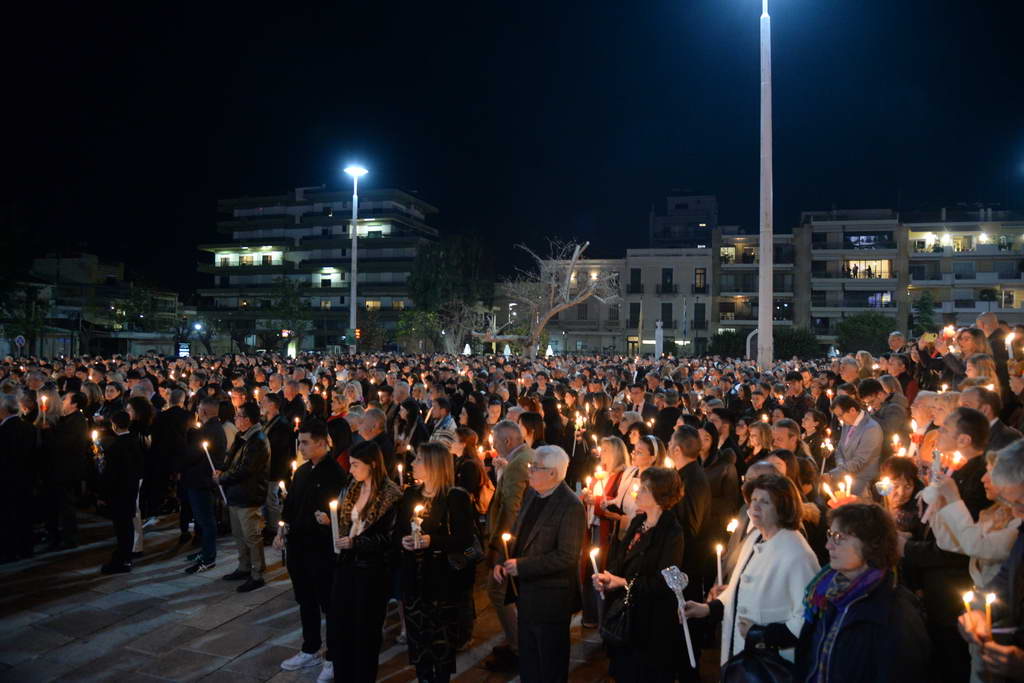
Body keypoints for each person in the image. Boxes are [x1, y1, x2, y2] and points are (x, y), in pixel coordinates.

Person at [684, 474, 819, 665]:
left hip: (771, 663)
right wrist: (707, 609)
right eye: (753, 499)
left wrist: (762, 635)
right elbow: (739, 593)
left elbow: (808, 618)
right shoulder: (755, 538)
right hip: (743, 658)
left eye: (765, 502)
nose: (754, 507)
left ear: (783, 507)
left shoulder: (797, 554)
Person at [795, 503, 930, 682]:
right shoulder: (824, 592)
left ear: (870, 544)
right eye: (830, 534)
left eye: (838, 537)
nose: (828, 545)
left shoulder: (896, 612)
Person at [493, 445, 585, 683]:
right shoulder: (532, 493)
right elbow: (516, 532)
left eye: (535, 467)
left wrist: (522, 566)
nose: (530, 471)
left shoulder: (571, 506)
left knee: (550, 664)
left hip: (551, 598)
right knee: (530, 661)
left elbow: (566, 556)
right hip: (527, 594)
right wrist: (503, 560)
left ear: (553, 473)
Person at [593, 467, 685, 683]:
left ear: (659, 495)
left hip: (650, 621)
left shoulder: (671, 532)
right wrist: (608, 578)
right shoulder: (638, 522)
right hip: (627, 616)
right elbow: (622, 558)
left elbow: (664, 582)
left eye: (644, 489)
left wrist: (623, 583)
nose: (637, 493)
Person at [396, 442, 476, 683]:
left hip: (442, 582)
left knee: (441, 643)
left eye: (418, 460)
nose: (413, 463)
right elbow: (398, 531)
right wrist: (404, 542)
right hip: (415, 581)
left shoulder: (455, 498)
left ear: (433, 465)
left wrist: (433, 541)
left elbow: (464, 540)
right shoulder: (410, 495)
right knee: (418, 642)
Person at [277, 419, 349, 683]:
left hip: (321, 551)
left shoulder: (336, 474)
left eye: (306, 442)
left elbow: (343, 514)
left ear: (321, 442)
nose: (301, 447)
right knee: (305, 599)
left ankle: (332, 657)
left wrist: (332, 521)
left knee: (328, 605)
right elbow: (292, 504)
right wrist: (281, 530)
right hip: (298, 548)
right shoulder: (303, 471)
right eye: (300, 442)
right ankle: (310, 648)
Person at [327, 440, 403, 683]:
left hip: (371, 573)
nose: (351, 470)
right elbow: (348, 521)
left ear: (372, 465)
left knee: (366, 630)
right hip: (346, 567)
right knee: (341, 626)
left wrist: (357, 543)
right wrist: (331, 522)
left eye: (355, 465)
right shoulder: (352, 487)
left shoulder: (390, 496)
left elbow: (388, 539)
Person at [481, 420, 534, 671]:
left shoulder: (516, 466)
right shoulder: (524, 456)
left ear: (508, 441)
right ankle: (517, 639)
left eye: (494, 440)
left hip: (510, 542)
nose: (491, 445)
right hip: (517, 540)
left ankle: (518, 646)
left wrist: (498, 546)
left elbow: (511, 509)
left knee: (498, 590)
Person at [216, 401, 270, 593]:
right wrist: (221, 469)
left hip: (249, 494)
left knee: (251, 536)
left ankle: (257, 573)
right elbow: (231, 459)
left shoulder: (258, 440)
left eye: (238, 416)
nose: (235, 419)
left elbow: (246, 470)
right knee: (239, 535)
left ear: (247, 420)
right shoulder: (242, 436)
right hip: (237, 493)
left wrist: (223, 478)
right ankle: (244, 566)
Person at [179, 397, 227, 574]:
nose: (197, 412)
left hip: (201, 480)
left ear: (204, 411)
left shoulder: (209, 430)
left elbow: (193, 455)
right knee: (202, 519)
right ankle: (204, 552)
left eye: (199, 409)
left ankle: (208, 557)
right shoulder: (212, 428)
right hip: (201, 479)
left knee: (206, 521)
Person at [99, 410, 143, 574]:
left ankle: (123, 560)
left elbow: (110, 474)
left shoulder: (115, 448)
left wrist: (103, 495)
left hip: (119, 493)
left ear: (115, 425)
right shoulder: (135, 441)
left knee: (122, 527)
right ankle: (126, 556)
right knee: (127, 526)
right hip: (131, 490)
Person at [829, 394, 882, 496]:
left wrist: (834, 473)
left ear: (852, 410)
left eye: (840, 415)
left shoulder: (871, 428)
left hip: (862, 483)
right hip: (845, 478)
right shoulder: (847, 424)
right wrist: (840, 467)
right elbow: (840, 449)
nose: (840, 419)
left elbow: (860, 461)